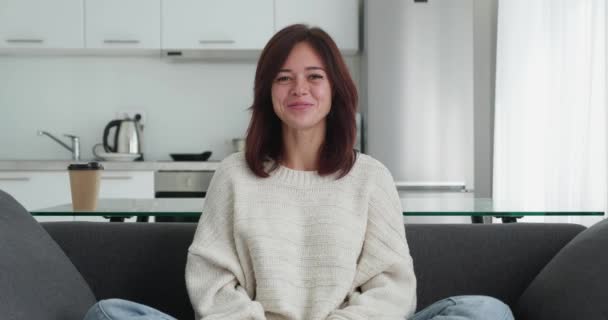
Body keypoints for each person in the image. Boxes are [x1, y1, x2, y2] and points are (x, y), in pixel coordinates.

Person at [84, 24, 514, 320]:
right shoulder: (233, 175)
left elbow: (392, 288)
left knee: (485, 312)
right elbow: (212, 283)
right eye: (284, 78)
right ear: (268, 92)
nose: (299, 89)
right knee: (108, 313)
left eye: (314, 76)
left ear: (335, 89)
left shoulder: (369, 177)